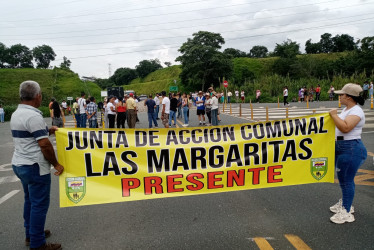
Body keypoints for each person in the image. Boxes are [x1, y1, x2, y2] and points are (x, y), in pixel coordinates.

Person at [11, 80, 63, 250]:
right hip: (34, 166)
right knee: (39, 204)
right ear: (38, 96)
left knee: (30, 201)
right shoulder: (33, 115)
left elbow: (31, 134)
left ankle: (31, 234)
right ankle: (38, 243)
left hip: (19, 164)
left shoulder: (17, 113)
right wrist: (56, 164)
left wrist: (48, 130)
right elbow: (44, 145)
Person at [329, 83, 367, 224]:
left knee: (346, 180)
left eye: (342, 95)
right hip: (341, 146)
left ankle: (346, 210)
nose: (340, 97)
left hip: (350, 147)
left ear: (349, 97)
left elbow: (345, 127)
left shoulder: (356, 111)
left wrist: (333, 115)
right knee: (343, 179)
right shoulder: (347, 109)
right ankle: (346, 202)